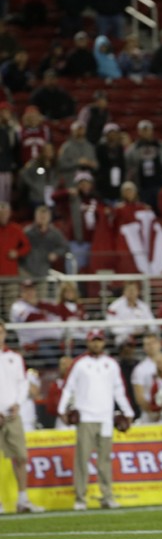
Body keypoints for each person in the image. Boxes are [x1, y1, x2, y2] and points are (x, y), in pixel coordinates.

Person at [57, 328, 135, 510]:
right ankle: (80, 498)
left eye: (99, 340)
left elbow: (119, 391)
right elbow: (69, 388)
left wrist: (128, 411)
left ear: (104, 342)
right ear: (88, 342)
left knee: (105, 460)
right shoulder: (80, 364)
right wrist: (62, 409)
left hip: (106, 418)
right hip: (86, 417)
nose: (96, 343)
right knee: (82, 459)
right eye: (93, 340)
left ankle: (107, 496)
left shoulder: (111, 364)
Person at [0, 319, 44, 514]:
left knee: (21, 457)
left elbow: (22, 383)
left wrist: (17, 403)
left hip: (12, 414)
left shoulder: (15, 358)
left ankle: (23, 499)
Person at [131, 333, 162, 420]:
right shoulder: (140, 369)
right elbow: (139, 396)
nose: (151, 346)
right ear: (144, 348)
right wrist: (153, 412)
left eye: (153, 342)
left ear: (160, 344)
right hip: (151, 415)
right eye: (148, 344)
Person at [0, 201, 30, 320]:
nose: (3, 216)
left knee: (10, 306)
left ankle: (11, 335)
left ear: (9, 213)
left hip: (11, 275)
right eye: (1, 213)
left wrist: (17, 253)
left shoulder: (16, 229)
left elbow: (27, 246)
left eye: (5, 213)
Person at [106, 281, 156, 348]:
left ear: (138, 291)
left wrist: (147, 328)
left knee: (152, 341)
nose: (131, 292)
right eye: (129, 290)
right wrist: (131, 330)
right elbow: (112, 327)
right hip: (124, 336)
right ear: (124, 292)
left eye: (133, 290)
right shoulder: (114, 307)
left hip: (142, 336)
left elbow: (153, 325)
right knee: (124, 341)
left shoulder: (144, 307)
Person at [58, 120, 98, 187]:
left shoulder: (90, 147)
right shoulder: (66, 147)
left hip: (87, 183)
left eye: (82, 129)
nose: (81, 131)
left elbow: (97, 165)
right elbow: (61, 165)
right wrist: (77, 162)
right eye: (78, 129)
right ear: (73, 131)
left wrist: (91, 163)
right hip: (71, 182)